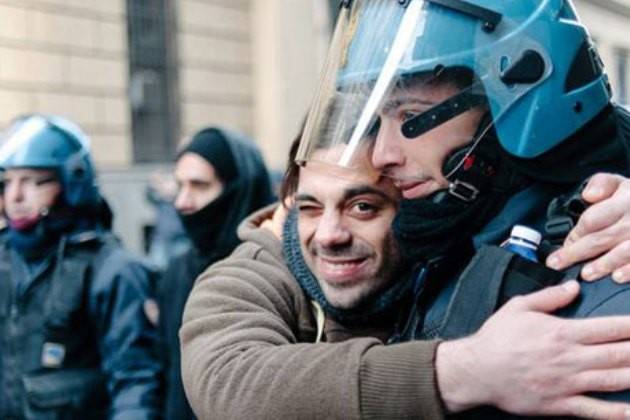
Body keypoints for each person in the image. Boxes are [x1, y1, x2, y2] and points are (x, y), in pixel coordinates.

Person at [294, 0, 630, 416]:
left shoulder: (607, 271)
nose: (382, 154)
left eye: (410, 116)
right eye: (379, 120)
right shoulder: (444, 231)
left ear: (515, 105)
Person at [0, 114, 161, 419]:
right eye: (7, 182)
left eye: (32, 181)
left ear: (71, 180)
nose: (15, 197)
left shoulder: (112, 270)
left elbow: (135, 381)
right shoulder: (5, 258)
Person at [157, 127, 274, 420]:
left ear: (238, 188)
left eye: (199, 185)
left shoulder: (274, 269)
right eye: (179, 185)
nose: (183, 202)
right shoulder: (177, 271)